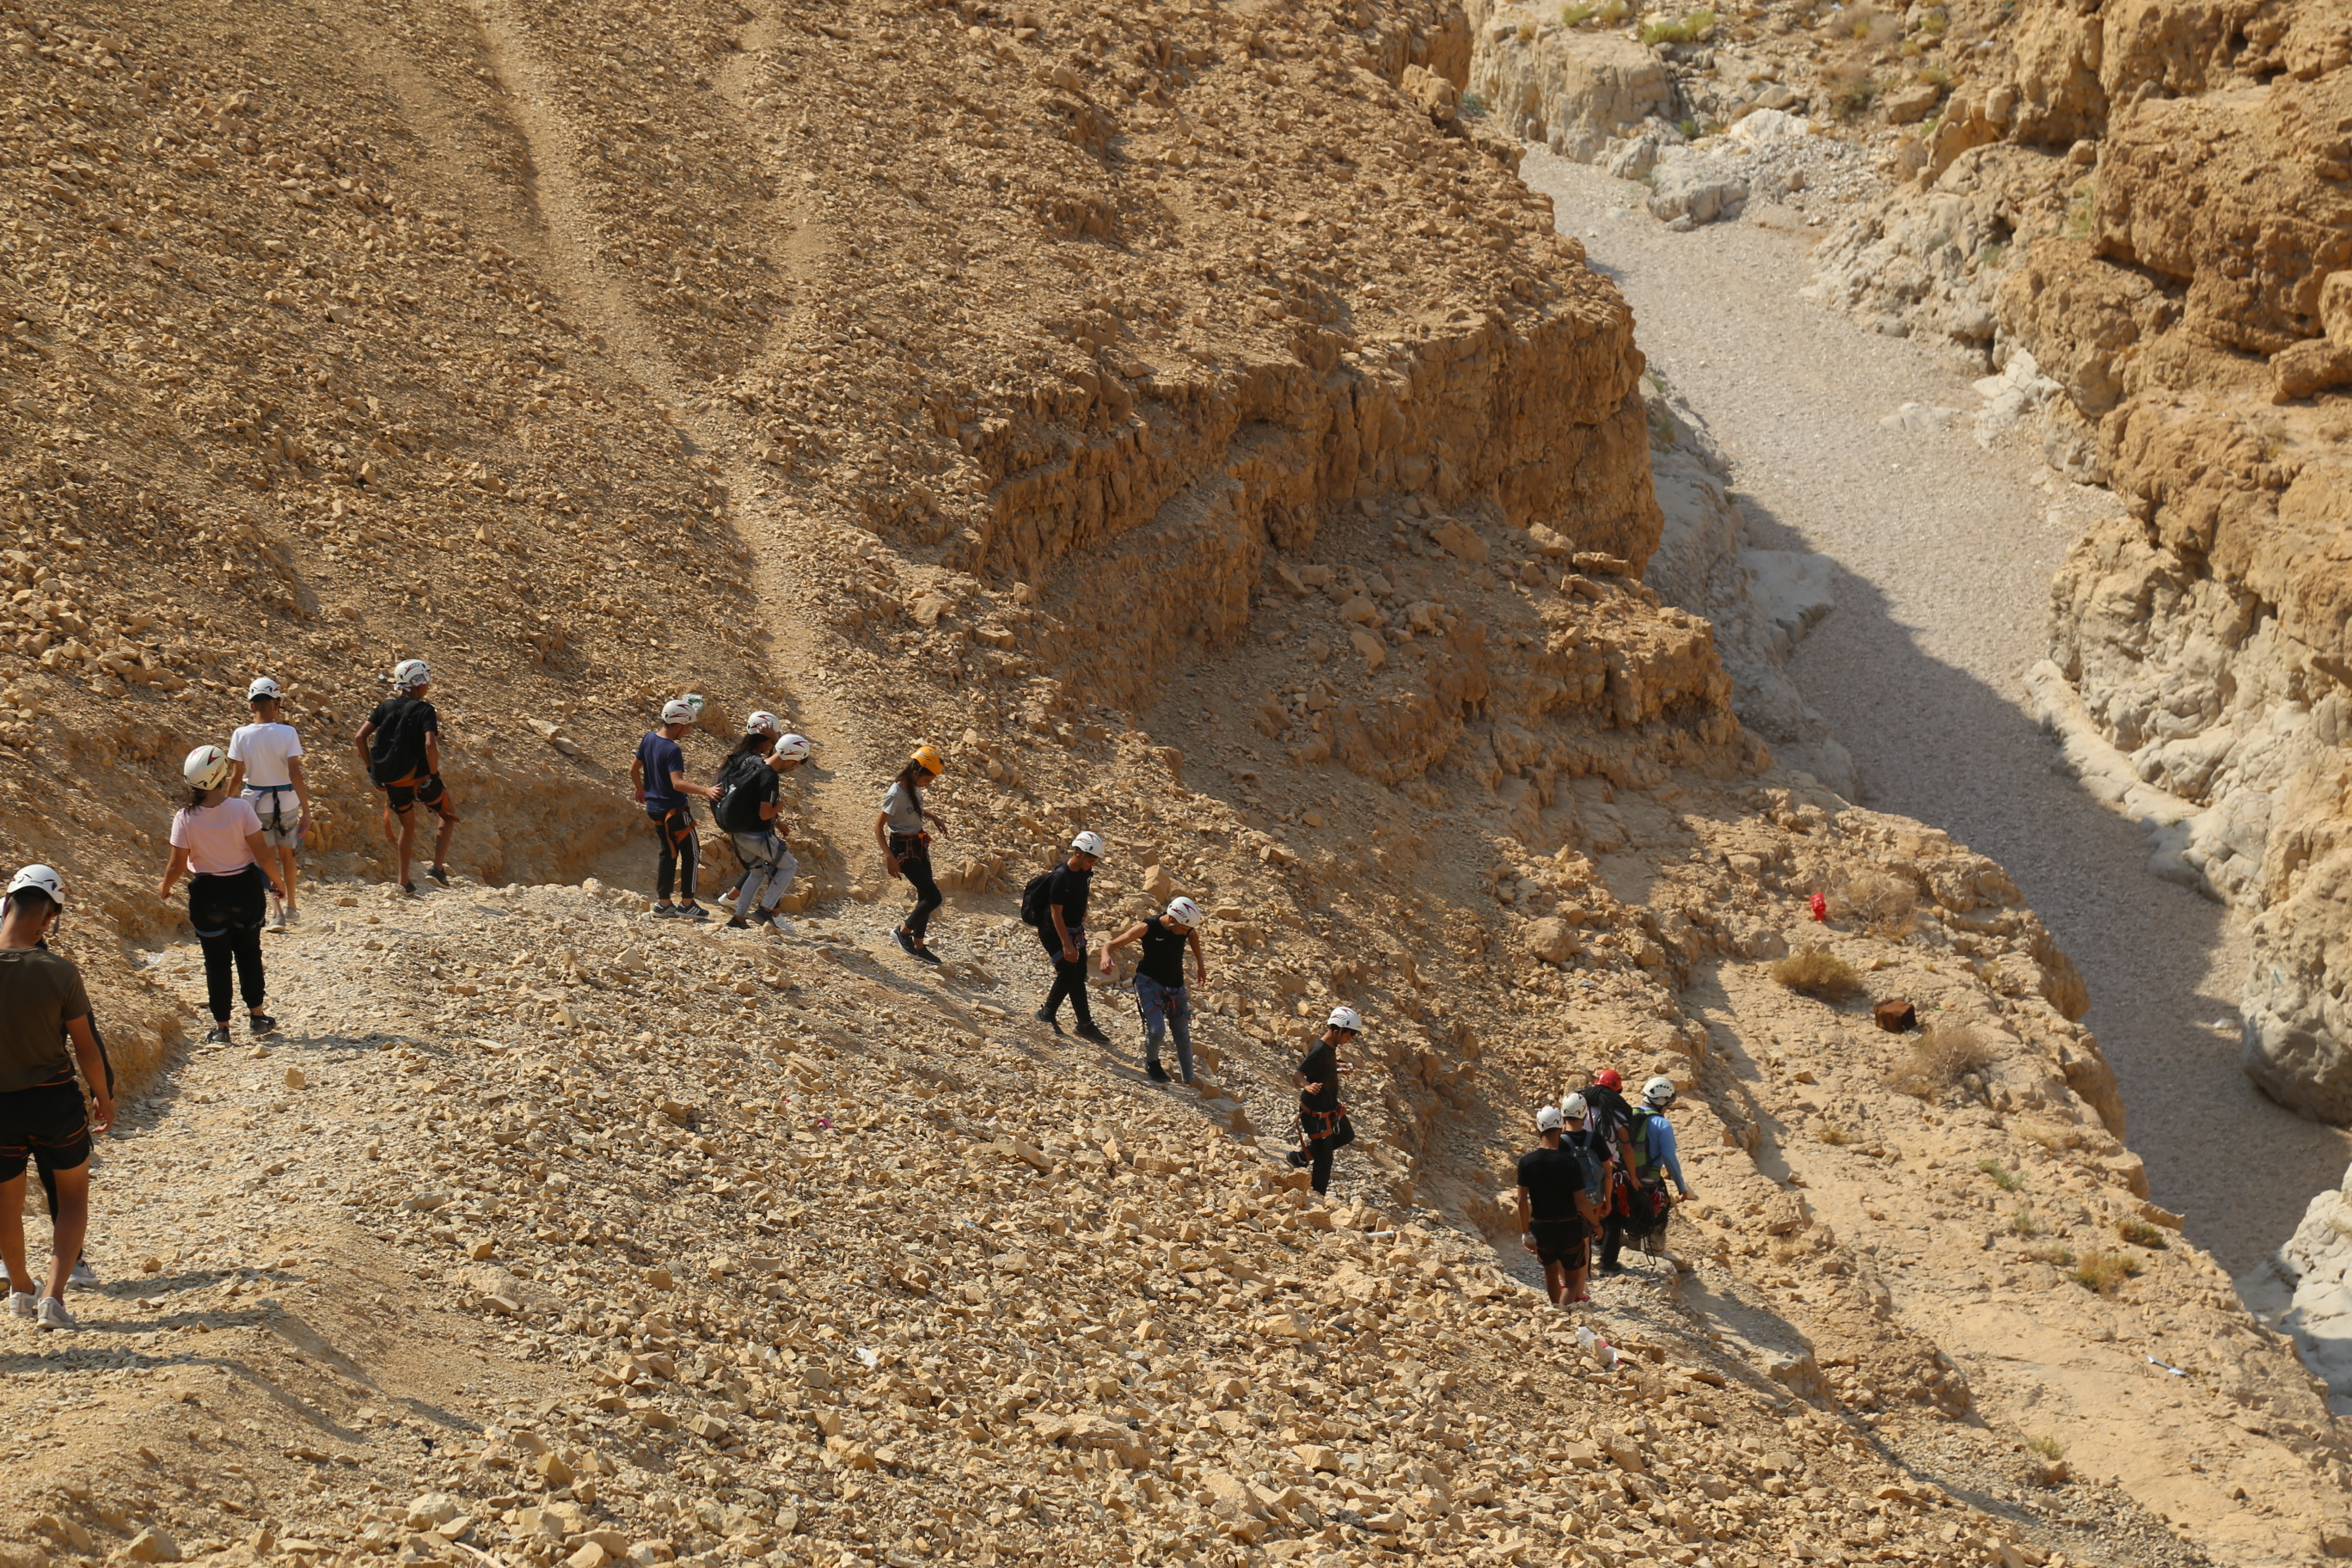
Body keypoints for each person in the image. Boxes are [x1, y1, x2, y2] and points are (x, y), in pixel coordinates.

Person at [0, 866, 113, 1330]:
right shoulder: (60, 971)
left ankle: (20, 1287)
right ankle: (54, 1297)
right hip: (54, 1100)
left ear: (7, 905)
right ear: (49, 919)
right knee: (71, 1196)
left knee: (5, 1203)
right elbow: (86, 1046)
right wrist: (102, 1095)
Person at [160, 746, 285, 1044]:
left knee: (216, 963)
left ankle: (222, 1028)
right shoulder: (241, 809)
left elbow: (177, 865)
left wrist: (164, 887)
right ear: (221, 776)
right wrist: (278, 882)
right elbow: (262, 854)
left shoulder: (184, 816)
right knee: (249, 953)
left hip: (208, 896)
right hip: (244, 890)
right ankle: (257, 1016)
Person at [354, 658, 458, 896]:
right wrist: (433, 775)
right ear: (419, 683)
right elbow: (430, 745)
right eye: (427, 681)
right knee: (448, 815)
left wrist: (371, 770)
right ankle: (437, 869)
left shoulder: (385, 706)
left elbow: (360, 737)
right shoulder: (425, 710)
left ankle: (403, 882)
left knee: (407, 825)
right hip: (420, 779)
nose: (428, 686)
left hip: (392, 781)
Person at [226, 676, 309, 929]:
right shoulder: (288, 732)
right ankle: (292, 906)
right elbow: (295, 772)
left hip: (255, 805)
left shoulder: (240, 734)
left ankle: (277, 912)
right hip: (287, 802)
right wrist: (307, 810)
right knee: (288, 855)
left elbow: (236, 776)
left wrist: (225, 804)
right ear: (278, 704)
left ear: (251, 706)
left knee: (266, 858)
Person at [1098, 897, 1207, 1084]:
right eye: (1183, 929)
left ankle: (1188, 1081)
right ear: (1171, 919)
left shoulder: (1184, 927)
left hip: (1176, 987)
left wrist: (1200, 965)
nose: (1185, 933)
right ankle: (1151, 1063)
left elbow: (1193, 935)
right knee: (1157, 1030)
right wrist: (1105, 956)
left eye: (1187, 930)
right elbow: (1110, 945)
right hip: (1150, 984)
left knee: (1182, 1035)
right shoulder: (1147, 927)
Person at [633, 698, 720, 921]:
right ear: (678, 724)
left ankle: (663, 903)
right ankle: (688, 904)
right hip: (675, 811)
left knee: (668, 853)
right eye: (688, 726)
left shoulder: (648, 738)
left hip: (654, 809)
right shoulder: (672, 749)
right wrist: (706, 790)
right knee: (692, 852)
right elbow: (677, 783)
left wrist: (640, 789)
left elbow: (633, 769)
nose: (689, 731)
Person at [719, 726, 811, 934]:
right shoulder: (770, 776)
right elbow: (764, 813)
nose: (794, 768)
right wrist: (779, 808)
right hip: (756, 835)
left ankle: (738, 918)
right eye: (797, 763)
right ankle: (765, 910)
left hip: (738, 832)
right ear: (792, 758)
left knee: (756, 873)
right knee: (789, 866)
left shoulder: (754, 764)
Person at [1602, 1075, 1694, 1275]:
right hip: (1648, 1181)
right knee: (1658, 1217)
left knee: (1623, 1215)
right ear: (1664, 1102)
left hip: (1622, 1179)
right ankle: (1655, 1259)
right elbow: (1669, 1158)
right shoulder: (1662, 1125)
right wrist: (1681, 1186)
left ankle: (1629, 1253)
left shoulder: (1627, 1114)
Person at [1517, 1104, 1602, 1307]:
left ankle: (1556, 1310)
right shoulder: (1570, 1162)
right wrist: (1596, 1224)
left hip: (1542, 1226)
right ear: (1561, 1127)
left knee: (1550, 1272)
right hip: (1569, 1226)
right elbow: (1581, 1202)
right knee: (1572, 1280)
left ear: (1538, 1128)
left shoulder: (1527, 1162)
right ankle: (1562, 1312)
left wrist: (1526, 1232)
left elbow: (1521, 1201)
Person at [876, 746, 949, 964]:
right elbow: (878, 827)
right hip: (903, 848)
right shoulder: (895, 793)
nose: (929, 784)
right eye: (927, 780)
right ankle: (903, 931)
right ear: (916, 772)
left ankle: (918, 945)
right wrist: (889, 857)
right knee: (934, 897)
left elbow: (912, 808)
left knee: (924, 896)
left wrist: (932, 816)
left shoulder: (913, 786)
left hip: (918, 844)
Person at [1033, 831, 1107, 1043]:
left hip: (1075, 929)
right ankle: (1046, 1014)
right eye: (1090, 861)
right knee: (1067, 973)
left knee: (1079, 974)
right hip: (1054, 931)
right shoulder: (1060, 877)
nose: (1092, 865)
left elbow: (1082, 890)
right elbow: (1056, 913)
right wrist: (1066, 944)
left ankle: (1084, 1024)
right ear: (1078, 855)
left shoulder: (1085, 871)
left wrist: (1084, 908)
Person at [1286, 1006, 1361, 1196]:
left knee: (1346, 1135)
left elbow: (1324, 1066)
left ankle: (1301, 1157)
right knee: (1324, 1161)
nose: (1350, 1039)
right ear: (1337, 1031)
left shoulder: (1330, 1047)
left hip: (1329, 1106)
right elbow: (1298, 1075)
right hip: (1316, 1114)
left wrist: (1339, 1066)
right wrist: (1307, 1086)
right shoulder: (1319, 1049)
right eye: (1349, 1035)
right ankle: (1317, 1199)